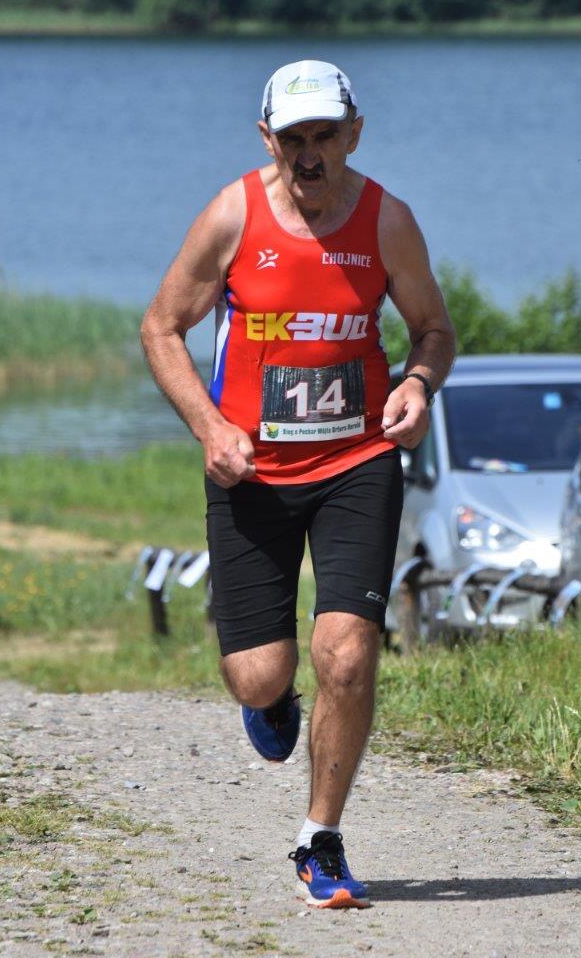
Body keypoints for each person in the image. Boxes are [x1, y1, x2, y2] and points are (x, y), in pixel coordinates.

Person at [141, 59, 455, 909]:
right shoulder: (232, 215)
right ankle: (273, 700)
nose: (310, 154)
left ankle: (321, 838)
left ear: (355, 132)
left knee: (346, 654)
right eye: (293, 138)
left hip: (358, 462)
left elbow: (433, 330)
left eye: (325, 135)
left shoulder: (388, 221)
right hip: (251, 470)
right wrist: (210, 430)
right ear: (266, 138)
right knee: (258, 674)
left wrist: (418, 385)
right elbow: (161, 327)